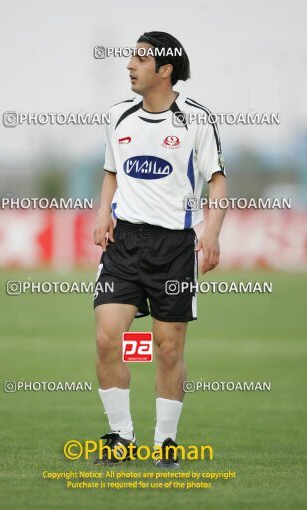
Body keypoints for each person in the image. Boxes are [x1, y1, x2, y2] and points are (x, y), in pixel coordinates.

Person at [92, 31, 228, 468]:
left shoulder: (195, 119)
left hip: (173, 246)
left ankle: (165, 442)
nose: (130, 65)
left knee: (167, 349)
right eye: (131, 57)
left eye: (140, 58)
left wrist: (212, 233)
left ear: (165, 69)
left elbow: (217, 179)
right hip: (124, 243)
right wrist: (102, 213)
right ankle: (120, 437)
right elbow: (112, 171)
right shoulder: (117, 116)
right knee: (107, 338)